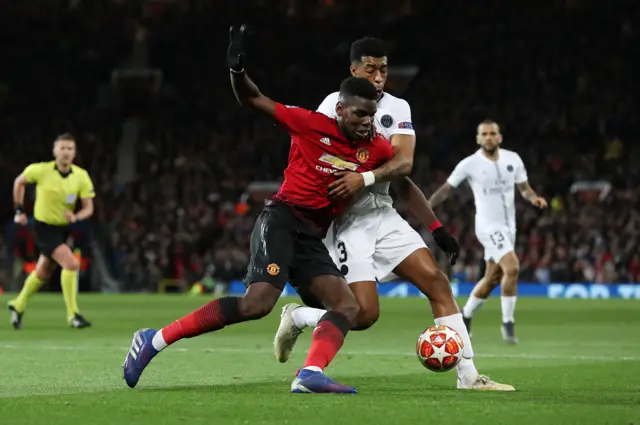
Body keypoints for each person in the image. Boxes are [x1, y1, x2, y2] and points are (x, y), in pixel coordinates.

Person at [122, 25, 395, 394]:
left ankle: (310, 373)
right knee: (257, 305)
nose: (367, 124)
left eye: (372, 117)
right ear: (341, 109)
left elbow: (398, 171)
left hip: (312, 237)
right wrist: (237, 72)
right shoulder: (310, 125)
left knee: (347, 307)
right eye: (360, 115)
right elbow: (254, 100)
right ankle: (153, 340)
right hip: (281, 220)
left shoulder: (376, 149)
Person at [273, 38, 514, 391]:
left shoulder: (399, 108)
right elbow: (315, 161)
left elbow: (403, 168)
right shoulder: (331, 106)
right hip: (344, 220)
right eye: (370, 68)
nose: (379, 75)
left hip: (383, 213)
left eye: (384, 68)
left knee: (436, 281)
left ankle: (470, 377)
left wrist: (435, 227)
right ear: (353, 70)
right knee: (364, 314)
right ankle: (298, 316)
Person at [429, 120, 547, 344]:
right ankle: (508, 325)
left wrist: (534, 198)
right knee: (512, 267)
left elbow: (524, 187)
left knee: (493, 277)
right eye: (485, 134)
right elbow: (446, 190)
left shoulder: (513, 159)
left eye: (493, 133)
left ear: (500, 137)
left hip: (509, 227)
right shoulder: (469, 164)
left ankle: (466, 315)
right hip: (487, 225)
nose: (489, 137)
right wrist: (425, 207)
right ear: (478, 139)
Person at [8, 133, 94, 329]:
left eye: (70, 149)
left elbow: (89, 208)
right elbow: (19, 182)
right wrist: (19, 210)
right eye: (62, 148)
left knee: (43, 272)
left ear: (74, 153)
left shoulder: (81, 176)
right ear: (54, 151)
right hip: (43, 227)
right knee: (71, 264)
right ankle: (73, 315)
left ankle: (18, 304)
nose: (66, 152)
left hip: (62, 228)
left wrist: (77, 217)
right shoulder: (41, 170)